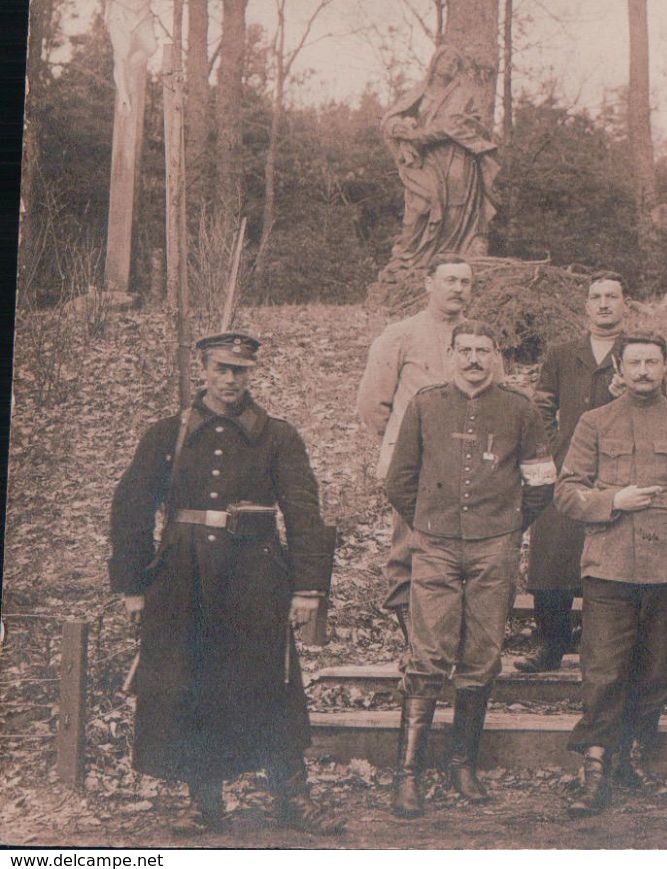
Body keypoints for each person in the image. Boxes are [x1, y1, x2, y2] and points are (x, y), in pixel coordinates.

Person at [109, 332, 342, 836]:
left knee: (271, 684)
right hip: (182, 578)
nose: (230, 379)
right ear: (204, 369)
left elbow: (304, 513)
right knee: (190, 683)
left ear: (251, 373)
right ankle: (204, 802)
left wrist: (307, 588)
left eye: (240, 370)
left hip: (256, 577)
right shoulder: (167, 433)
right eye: (221, 368)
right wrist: (132, 583)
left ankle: (292, 796)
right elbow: (132, 507)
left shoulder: (278, 436)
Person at [383, 320, 551, 817]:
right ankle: (407, 775)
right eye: (465, 350)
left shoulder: (520, 409)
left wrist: (508, 526)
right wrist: (430, 526)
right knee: (427, 655)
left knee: (481, 656)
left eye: (483, 350)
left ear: (496, 356)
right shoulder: (425, 404)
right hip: (434, 548)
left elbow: (541, 482)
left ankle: (463, 766)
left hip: (493, 551)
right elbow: (399, 480)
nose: (474, 359)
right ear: (451, 355)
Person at [555, 335, 667, 816]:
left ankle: (628, 756)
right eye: (635, 362)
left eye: (653, 361)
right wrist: (611, 502)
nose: (644, 370)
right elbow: (566, 492)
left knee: (657, 673)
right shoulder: (595, 422)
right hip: (610, 566)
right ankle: (596, 769)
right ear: (618, 371)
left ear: (666, 367)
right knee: (604, 671)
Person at [357, 255, 473, 644]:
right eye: (450, 280)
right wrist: (404, 449)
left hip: (466, 466)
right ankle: (414, 643)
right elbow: (374, 403)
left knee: (459, 550)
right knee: (409, 546)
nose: (458, 289)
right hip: (415, 467)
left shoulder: (477, 340)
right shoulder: (400, 335)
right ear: (428, 284)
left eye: (465, 283)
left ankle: (450, 639)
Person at [518, 271, 628, 673]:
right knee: (553, 549)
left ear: (624, 304)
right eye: (596, 296)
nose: (604, 304)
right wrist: (555, 451)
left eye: (612, 296)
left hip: (619, 465)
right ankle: (550, 643)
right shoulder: (563, 353)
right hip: (568, 465)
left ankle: (603, 649)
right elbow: (542, 406)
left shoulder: (638, 351)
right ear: (586, 305)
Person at [379, 44, 500, 280]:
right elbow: (390, 119)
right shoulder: (419, 92)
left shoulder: (463, 95)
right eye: (446, 60)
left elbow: (459, 125)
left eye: (455, 63)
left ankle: (448, 263)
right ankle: (410, 260)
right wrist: (400, 127)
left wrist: (420, 135)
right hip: (427, 160)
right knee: (420, 206)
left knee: (455, 209)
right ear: (435, 62)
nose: (450, 65)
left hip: (458, 158)